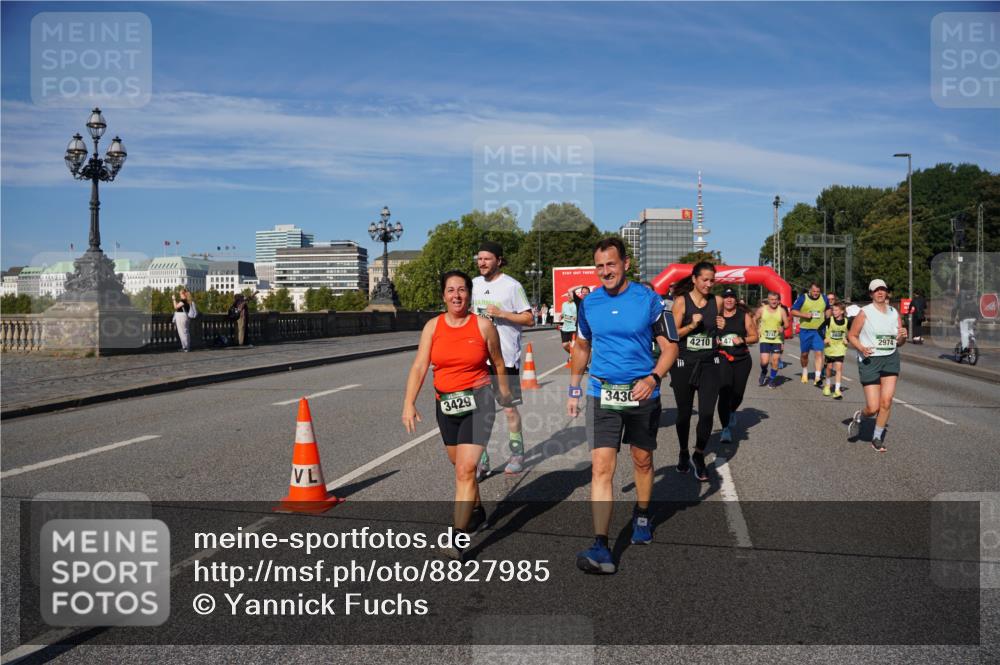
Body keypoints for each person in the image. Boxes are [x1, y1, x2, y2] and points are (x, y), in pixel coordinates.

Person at [567, 238, 678, 574]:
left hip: (642, 393)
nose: (605, 272)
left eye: (611, 264)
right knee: (601, 468)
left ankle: (642, 513)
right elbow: (583, 347)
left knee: (642, 461)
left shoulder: (650, 300)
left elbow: (670, 347)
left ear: (625, 264)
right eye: (599, 266)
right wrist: (574, 388)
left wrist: (654, 378)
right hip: (602, 394)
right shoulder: (589, 305)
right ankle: (601, 545)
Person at [402, 271, 513, 558]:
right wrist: (408, 403)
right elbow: (419, 366)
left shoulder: (484, 326)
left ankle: (458, 537)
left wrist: (506, 395)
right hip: (446, 405)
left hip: (480, 402)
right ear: (443, 295)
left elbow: (499, 363)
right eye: (451, 290)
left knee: (465, 470)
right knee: (459, 465)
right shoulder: (433, 327)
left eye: (462, 290)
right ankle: (476, 510)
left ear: (469, 293)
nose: (456, 295)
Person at [471, 241, 534, 477]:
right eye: (479, 259)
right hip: (478, 358)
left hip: (505, 358)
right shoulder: (473, 285)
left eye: (487, 258)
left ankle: (517, 452)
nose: (482, 263)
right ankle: (482, 459)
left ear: (498, 260)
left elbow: (529, 319)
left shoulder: (512, 286)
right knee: (477, 413)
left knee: (508, 410)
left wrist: (502, 314)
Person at [670, 261, 724, 482]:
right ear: (694, 279)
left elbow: (716, 332)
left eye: (712, 280)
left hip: (709, 364)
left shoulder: (717, 301)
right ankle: (683, 450)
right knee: (684, 414)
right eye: (705, 280)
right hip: (684, 363)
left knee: (707, 413)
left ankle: (699, 453)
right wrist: (692, 326)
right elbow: (672, 335)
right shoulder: (681, 302)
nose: (709, 284)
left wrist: (721, 326)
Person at [847, 279, 907, 452]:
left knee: (886, 402)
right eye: (876, 290)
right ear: (871, 294)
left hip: (890, 357)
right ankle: (860, 416)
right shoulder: (864, 312)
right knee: (873, 407)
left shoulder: (894, 313)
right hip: (870, 360)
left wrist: (903, 335)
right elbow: (852, 335)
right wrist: (861, 348)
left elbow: (900, 342)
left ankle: (876, 437)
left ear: (886, 292)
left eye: (883, 290)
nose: (880, 292)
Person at [716, 288, 758, 443]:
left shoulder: (744, 316)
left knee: (738, 394)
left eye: (731, 297)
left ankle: (732, 410)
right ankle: (725, 428)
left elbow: (755, 337)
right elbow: (707, 333)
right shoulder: (716, 316)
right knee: (724, 392)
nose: (728, 300)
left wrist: (743, 340)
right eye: (726, 297)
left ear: (735, 300)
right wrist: (715, 340)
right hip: (723, 358)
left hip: (742, 360)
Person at [791, 282, 831, 387]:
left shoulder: (824, 298)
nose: (816, 293)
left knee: (819, 353)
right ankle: (804, 371)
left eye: (818, 292)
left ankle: (817, 377)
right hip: (805, 330)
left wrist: (828, 317)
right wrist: (803, 314)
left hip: (819, 330)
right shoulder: (803, 298)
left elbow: (828, 308)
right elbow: (793, 311)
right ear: (810, 290)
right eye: (814, 291)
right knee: (805, 354)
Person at [754, 291, 789, 388]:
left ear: (778, 301)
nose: (773, 301)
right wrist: (757, 328)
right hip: (765, 339)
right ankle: (764, 371)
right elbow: (754, 318)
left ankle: (772, 380)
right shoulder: (762, 309)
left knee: (775, 360)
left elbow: (787, 323)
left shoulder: (781, 311)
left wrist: (783, 327)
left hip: (776, 339)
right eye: (771, 299)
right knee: (764, 361)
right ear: (768, 300)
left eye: (775, 300)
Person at [822, 301, 849, 399]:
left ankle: (837, 390)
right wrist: (824, 338)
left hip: (840, 348)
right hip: (830, 348)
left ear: (842, 311)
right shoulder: (829, 320)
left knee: (839, 368)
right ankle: (828, 385)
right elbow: (819, 329)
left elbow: (852, 332)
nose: (834, 312)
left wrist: (848, 339)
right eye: (833, 310)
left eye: (836, 310)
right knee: (829, 368)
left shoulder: (847, 321)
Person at [954, 289, 978, 354]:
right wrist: (976, 319)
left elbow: (955, 310)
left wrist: (955, 320)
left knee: (964, 333)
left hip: (964, 320)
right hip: (972, 320)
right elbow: (977, 311)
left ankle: (965, 348)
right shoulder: (973, 302)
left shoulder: (962, 302)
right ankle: (972, 342)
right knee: (970, 332)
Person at [560, 289, 578, 360]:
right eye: (568, 295)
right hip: (565, 328)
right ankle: (574, 356)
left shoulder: (576, 304)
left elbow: (578, 315)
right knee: (565, 345)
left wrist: (575, 318)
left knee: (574, 345)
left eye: (571, 295)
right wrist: (561, 315)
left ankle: (574, 358)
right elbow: (563, 313)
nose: (569, 297)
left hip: (573, 328)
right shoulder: (564, 304)